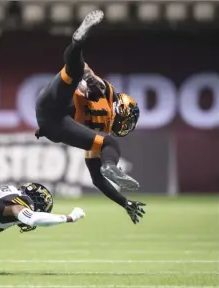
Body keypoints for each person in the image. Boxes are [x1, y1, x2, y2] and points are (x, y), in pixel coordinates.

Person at [34, 10, 146, 224]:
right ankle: (77, 41)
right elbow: (87, 73)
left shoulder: (102, 132)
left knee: (108, 143)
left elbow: (97, 179)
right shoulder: (107, 93)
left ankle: (111, 166)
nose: (126, 124)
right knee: (74, 70)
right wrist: (89, 76)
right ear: (122, 108)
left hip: (57, 124)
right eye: (127, 118)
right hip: (58, 103)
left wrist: (124, 202)